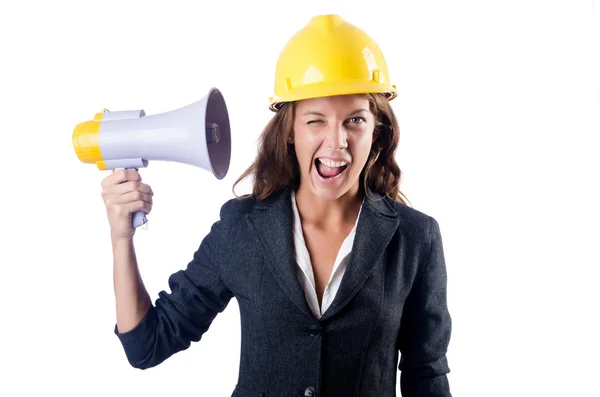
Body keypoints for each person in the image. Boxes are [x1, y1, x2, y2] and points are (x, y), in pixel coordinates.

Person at [101, 14, 452, 397]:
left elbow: (426, 374)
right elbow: (147, 345)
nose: (337, 142)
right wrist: (122, 236)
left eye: (354, 120)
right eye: (315, 121)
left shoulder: (416, 239)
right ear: (290, 131)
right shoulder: (241, 228)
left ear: (377, 131)